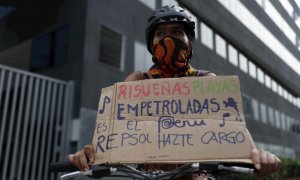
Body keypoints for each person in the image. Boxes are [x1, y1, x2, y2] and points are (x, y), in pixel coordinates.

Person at [68, 5, 281, 179]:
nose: (167, 38)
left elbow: (233, 128)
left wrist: (257, 155)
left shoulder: (206, 81)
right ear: (152, 45)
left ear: (190, 44)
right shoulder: (138, 81)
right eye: (160, 33)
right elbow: (114, 133)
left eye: (178, 32)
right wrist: (91, 153)